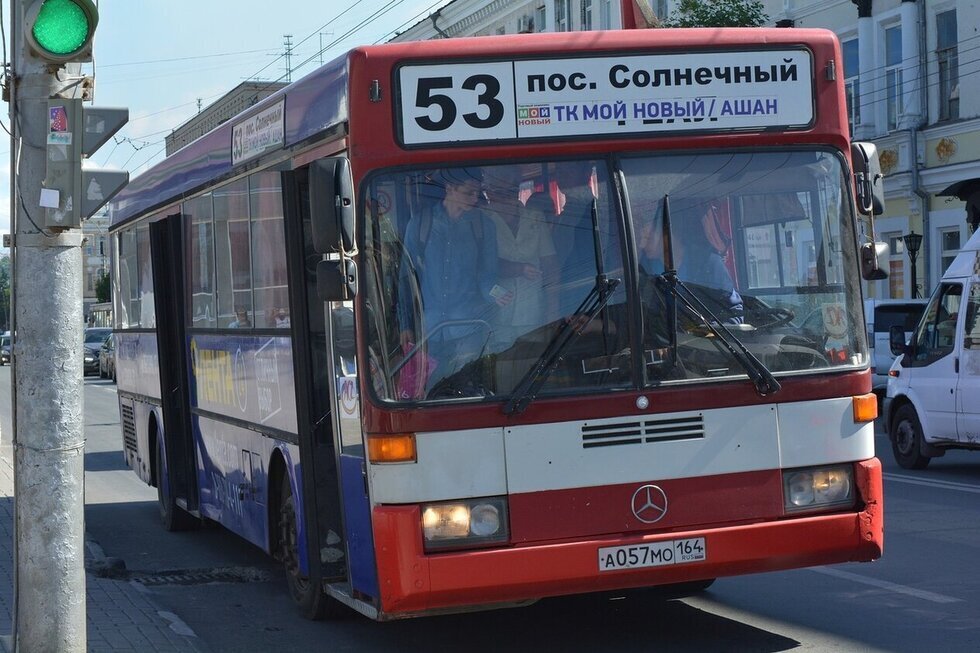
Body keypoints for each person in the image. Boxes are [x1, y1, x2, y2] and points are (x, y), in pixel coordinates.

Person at [397, 168, 508, 397]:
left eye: (477, 193)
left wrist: (497, 293)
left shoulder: (484, 226)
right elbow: (407, 279)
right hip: (429, 330)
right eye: (469, 193)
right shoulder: (420, 224)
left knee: (465, 393)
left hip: (468, 327)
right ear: (449, 189)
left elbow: (487, 276)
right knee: (430, 394)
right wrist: (405, 325)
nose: (475, 199)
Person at [481, 165, 557, 345]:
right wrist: (517, 269)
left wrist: (553, 310)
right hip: (494, 313)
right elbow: (478, 265)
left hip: (533, 310)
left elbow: (551, 265)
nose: (505, 197)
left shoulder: (535, 216)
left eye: (511, 190)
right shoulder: (480, 219)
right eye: (499, 191)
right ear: (489, 193)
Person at [637, 198, 743, 323]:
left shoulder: (708, 264)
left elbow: (734, 312)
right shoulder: (643, 269)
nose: (642, 245)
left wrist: (710, 333)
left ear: (668, 234)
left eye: (648, 238)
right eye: (641, 238)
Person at [551, 160, 602, 317]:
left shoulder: (592, 209)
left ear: (586, 173)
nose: (561, 176)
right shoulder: (569, 210)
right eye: (559, 170)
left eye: (569, 169)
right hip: (564, 288)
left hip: (583, 293)